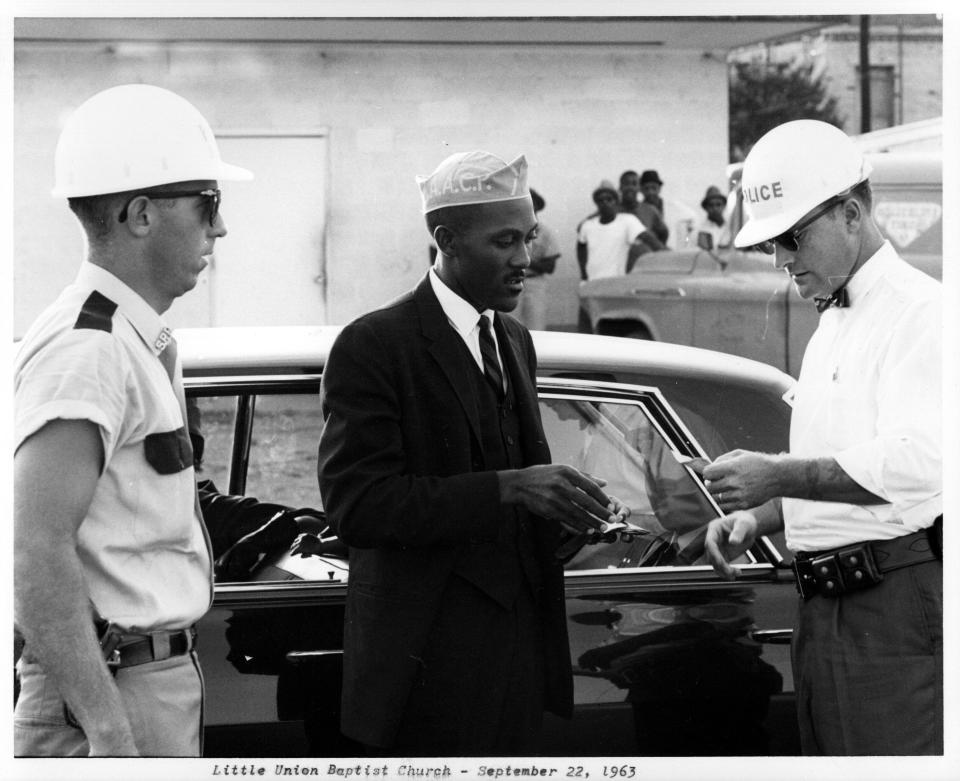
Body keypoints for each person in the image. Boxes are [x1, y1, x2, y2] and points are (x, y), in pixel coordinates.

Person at [317, 150, 629, 756]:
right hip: (425, 671)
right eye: (505, 241)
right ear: (446, 241)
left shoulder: (512, 336)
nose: (525, 259)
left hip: (516, 660)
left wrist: (563, 517)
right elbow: (358, 506)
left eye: (529, 237)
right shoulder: (374, 344)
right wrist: (512, 488)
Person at [13, 83, 252, 757]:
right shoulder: (88, 347)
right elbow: (33, 547)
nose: (221, 228)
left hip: (140, 678)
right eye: (208, 205)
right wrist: (108, 726)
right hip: (109, 693)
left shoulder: (127, 339)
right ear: (142, 213)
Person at [700, 119, 942, 755]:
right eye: (769, 245)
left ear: (852, 214)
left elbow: (916, 466)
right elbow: (838, 468)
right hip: (829, 609)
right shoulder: (833, 318)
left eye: (791, 238)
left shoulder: (924, 314)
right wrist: (760, 518)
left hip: (888, 607)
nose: (781, 260)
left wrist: (777, 476)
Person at [576, 180, 647, 281]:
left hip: (615, 283)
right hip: (591, 283)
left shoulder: (627, 221)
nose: (605, 203)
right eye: (601, 200)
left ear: (616, 201)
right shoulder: (588, 225)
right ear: (596, 203)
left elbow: (648, 238)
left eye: (609, 199)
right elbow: (581, 246)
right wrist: (583, 273)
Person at [513, 187, 560, 331]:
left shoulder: (545, 232)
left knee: (536, 325)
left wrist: (525, 260)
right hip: (512, 282)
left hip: (535, 283)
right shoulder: (510, 231)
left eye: (532, 205)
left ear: (537, 208)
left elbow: (550, 267)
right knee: (510, 325)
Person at [619, 170, 669, 248]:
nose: (630, 187)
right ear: (620, 187)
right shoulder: (613, 211)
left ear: (639, 188)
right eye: (626, 184)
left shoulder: (650, 210)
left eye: (634, 184)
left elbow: (663, 233)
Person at [695, 185, 731, 251]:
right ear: (705, 208)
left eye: (718, 204)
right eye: (711, 205)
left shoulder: (732, 228)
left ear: (724, 206)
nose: (715, 208)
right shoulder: (700, 230)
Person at [639, 169, 669, 244]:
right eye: (647, 188)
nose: (650, 192)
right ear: (641, 190)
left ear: (659, 189)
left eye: (654, 188)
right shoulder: (638, 210)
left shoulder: (671, 209)